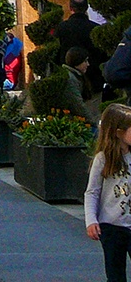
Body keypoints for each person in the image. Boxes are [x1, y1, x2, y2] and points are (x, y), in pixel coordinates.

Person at [85, 103, 131, 282]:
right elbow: (92, 192)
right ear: (118, 132)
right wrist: (91, 220)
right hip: (111, 226)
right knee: (115, 273)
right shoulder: (103, 159)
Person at [58, 0, 107, 94]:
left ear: (71, 8)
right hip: (94, 81)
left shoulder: (61, 28)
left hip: (68, 81)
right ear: (86, 8)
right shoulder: (96, 29)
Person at [63, 47, 98, 122]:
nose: (88, 64)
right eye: (85, 61)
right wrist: (92, 121)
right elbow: (78, 105)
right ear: (77, 62)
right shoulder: (71, 79)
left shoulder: (74, 76)